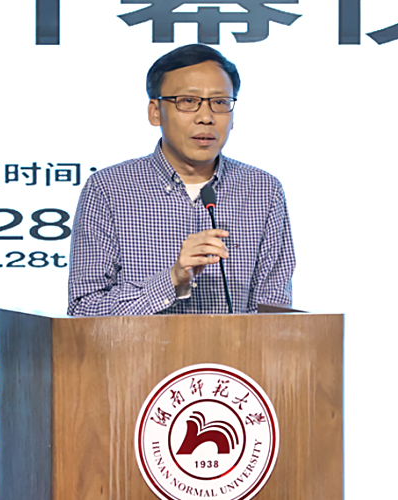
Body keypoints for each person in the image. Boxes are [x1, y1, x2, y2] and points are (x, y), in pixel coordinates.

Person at [67, 44, 294, 316]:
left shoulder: (263, 191)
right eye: (188, 101)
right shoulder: (108, 189)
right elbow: (84, 310)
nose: (206, 117)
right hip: (142, 347)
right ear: (155, 112)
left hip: (235, 347)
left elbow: (275, 315)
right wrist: (172, 280)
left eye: (220, 103)